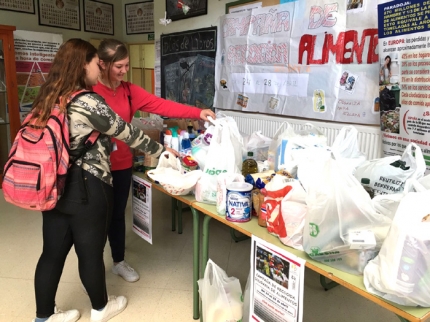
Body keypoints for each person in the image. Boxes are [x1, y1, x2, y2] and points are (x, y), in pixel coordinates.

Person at [31, 38, 177, 322]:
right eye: (95, 64)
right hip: (87, 185)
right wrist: (161, 151)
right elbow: (126, 132)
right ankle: (100, 307)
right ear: (81, 66)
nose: (99, 70)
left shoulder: (48, 96)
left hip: (52, 184)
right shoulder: (87, 100)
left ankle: (44, 316)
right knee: (90, 250)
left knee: (51, 252)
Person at [93, 39, 216, 282]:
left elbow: (162, 105)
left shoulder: (128, 91)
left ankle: (118, 261)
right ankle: (92, 270)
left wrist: (197, 112)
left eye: (127, 65)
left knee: (117, 215)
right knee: (95, 219)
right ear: (102, 64)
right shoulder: (90, 91)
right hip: (95, 169)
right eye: (119, 66)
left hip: (121, 165)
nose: (124, 71)